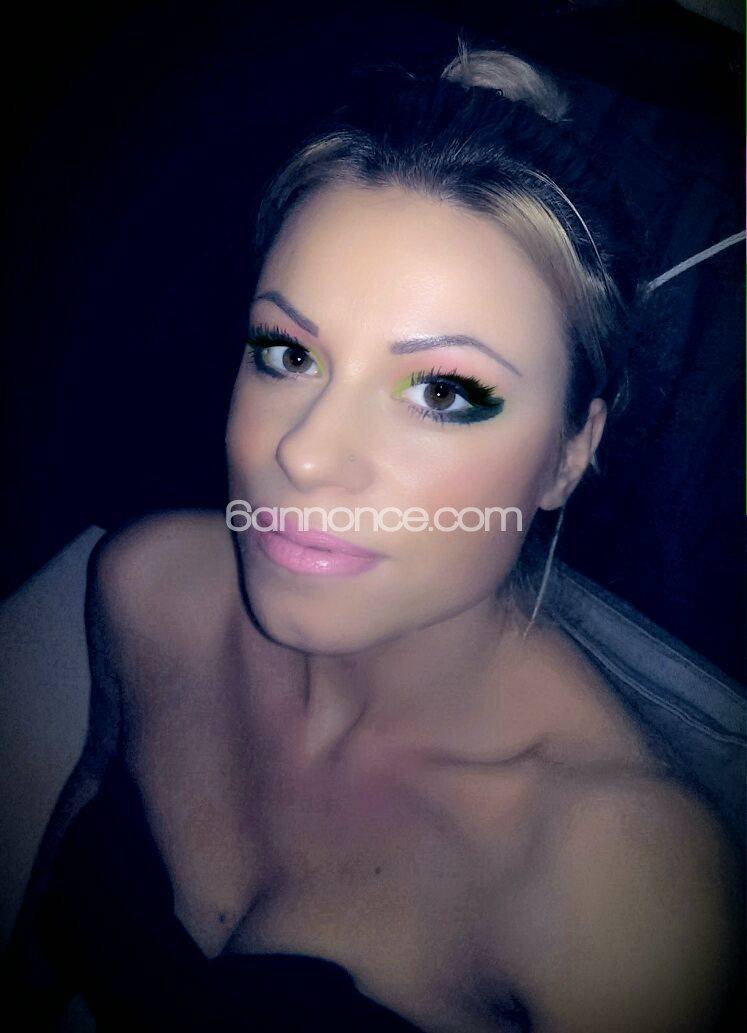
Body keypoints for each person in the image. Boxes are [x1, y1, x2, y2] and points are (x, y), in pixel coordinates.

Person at [7, 39, 741, 1033]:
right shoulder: (146, 589)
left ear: (570, 453)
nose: (305, 454)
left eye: (441, 391)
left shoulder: (622, 894)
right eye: (287, 352)